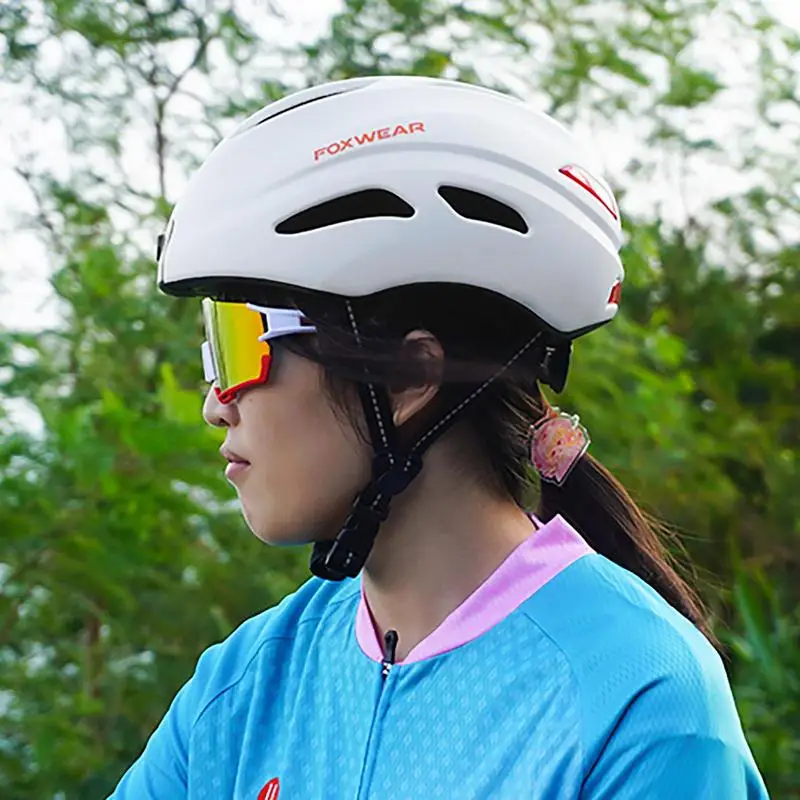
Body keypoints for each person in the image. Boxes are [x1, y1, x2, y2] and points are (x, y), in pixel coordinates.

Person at [109, 76, 769, 799]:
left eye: (241, 347)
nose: (216, 404)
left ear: (409, 376)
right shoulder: (241, 690)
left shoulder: (640, 700)